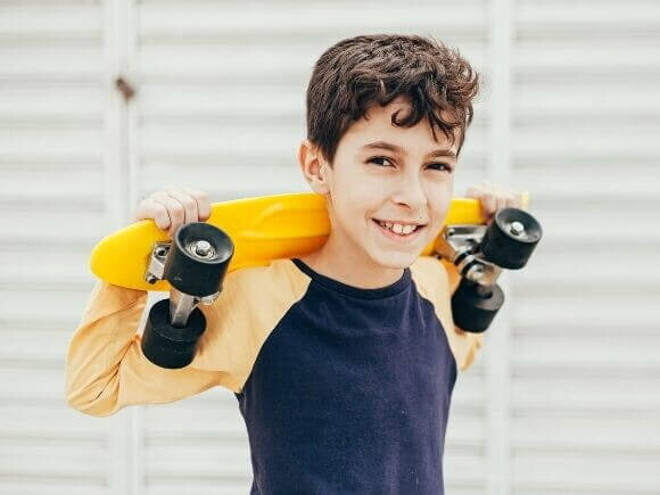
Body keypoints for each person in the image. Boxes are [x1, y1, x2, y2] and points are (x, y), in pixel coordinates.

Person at [66, 34, 523, 494]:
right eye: (382, 159)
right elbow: (95, 386)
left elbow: (465, 342)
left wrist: (490, 230)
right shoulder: (259, 301)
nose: (412, 197)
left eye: (437, 166)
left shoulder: (436, 289)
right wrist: (140, 263)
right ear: (316, 166)